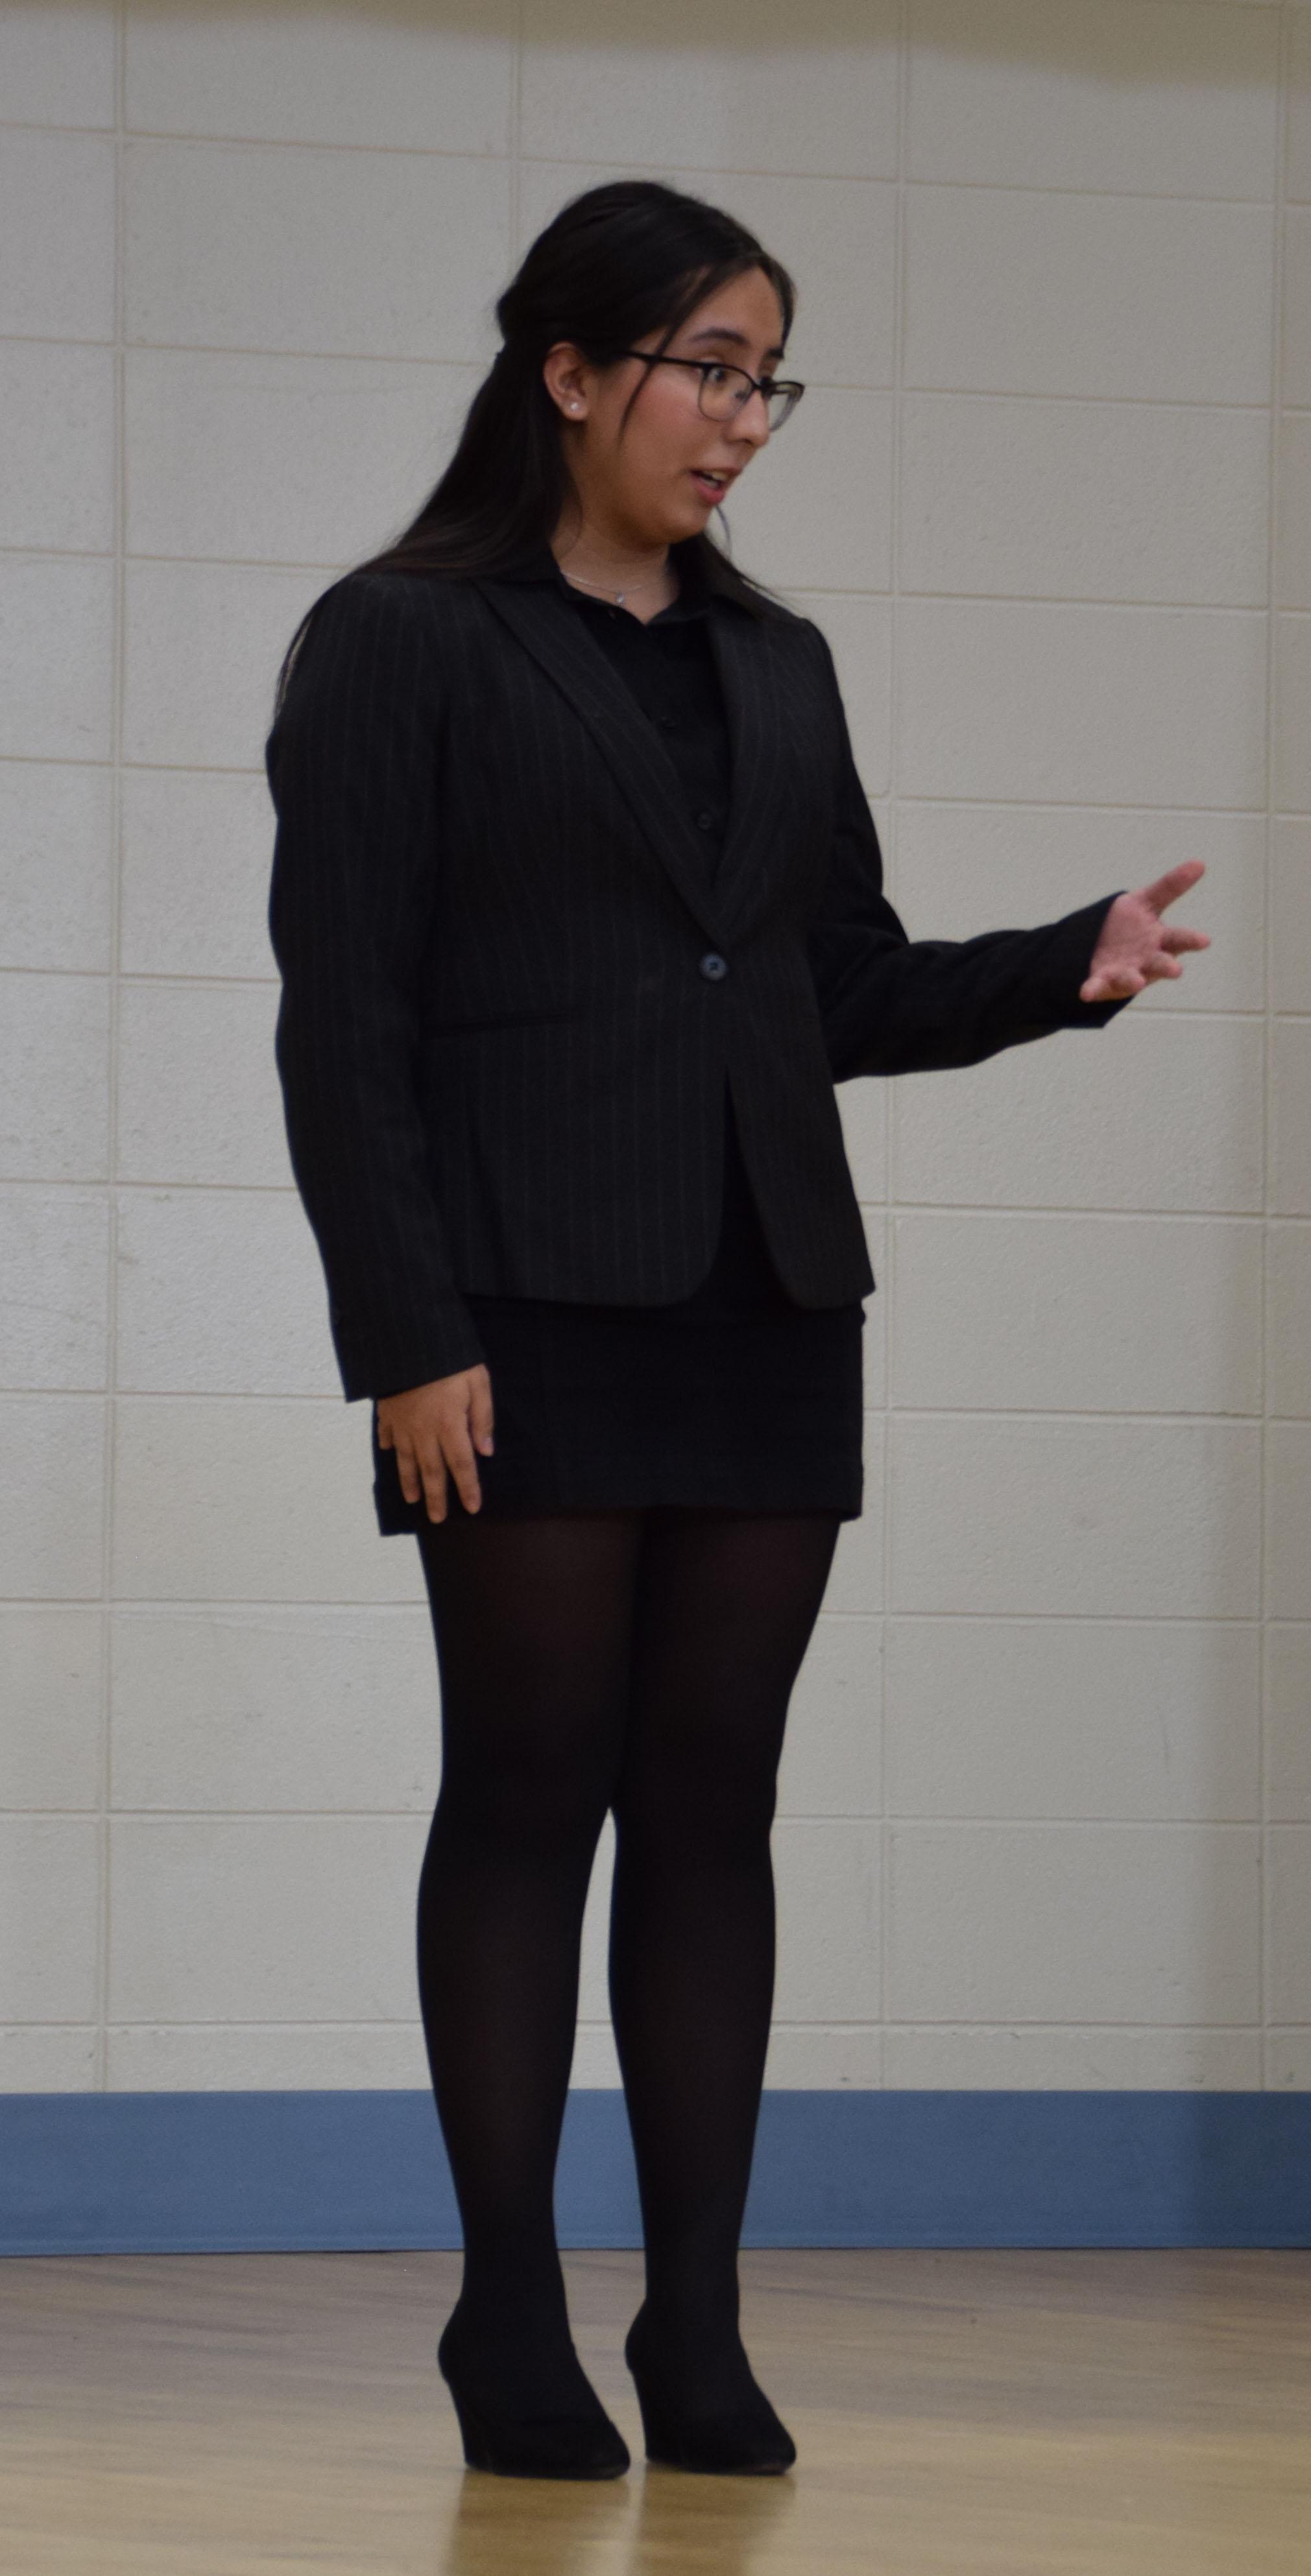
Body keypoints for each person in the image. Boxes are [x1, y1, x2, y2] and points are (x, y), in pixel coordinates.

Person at [263, 178, 1210, 2483]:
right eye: (709, 370)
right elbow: (343, 1017)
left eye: (768, 380)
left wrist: (1057, 967)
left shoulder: (778, 664)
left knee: (715, 1805)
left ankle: (697, 2318)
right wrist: (404, 1332)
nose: (743, 421)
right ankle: (509, 2310)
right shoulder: (401, 641)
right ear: (570, 371)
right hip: (513, 1305)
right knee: (529, 1791)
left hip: (765, 1295)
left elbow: (827, 983)